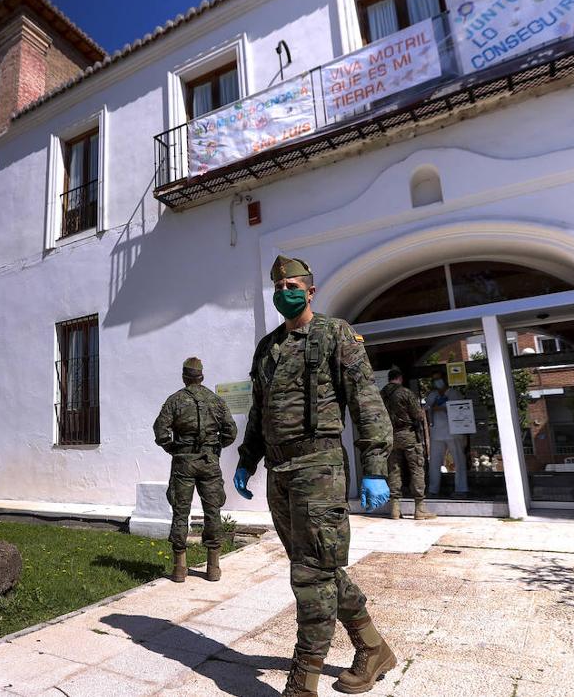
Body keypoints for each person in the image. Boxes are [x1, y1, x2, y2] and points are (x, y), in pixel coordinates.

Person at [233, 256, 396, 696]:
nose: (283, 290)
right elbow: (260, 411)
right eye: (277, 284)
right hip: (279, 470)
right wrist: (248, 458)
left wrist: (375, 467)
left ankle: (303, 681)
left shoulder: (333, 334)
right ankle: (373, 647)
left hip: (319, 467)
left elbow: (366, 403)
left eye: (292, 283)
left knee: (310, 575)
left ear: (310, 290)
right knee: (318, 569)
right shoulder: (267, 347)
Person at [154, 356, 237, 583]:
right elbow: (231, 431)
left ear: (184, 377)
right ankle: (213, 568)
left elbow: (160, 430)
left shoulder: (175, 401)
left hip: (184, 462)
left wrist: (174, 448)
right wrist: (216, 447)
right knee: (213, 511)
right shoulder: (215, 401)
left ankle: (180, 569)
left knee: (181, 511)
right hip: (209, 462)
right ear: (201, 376)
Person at [380, 367, 435, 520]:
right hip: (408, 435)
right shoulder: (405, 393)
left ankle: (395, 508)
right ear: (400, 378)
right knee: (416, 468)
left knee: (393, 470)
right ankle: (419, 508)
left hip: (390, 436)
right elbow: (418, 415)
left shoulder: (381, 394)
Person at [425, 369, 469, 498]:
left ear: (445, 380)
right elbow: (426, 410)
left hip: (453, 432)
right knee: (434, 462)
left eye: (438, 379)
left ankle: (461, 489)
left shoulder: (454, 394)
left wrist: (443, 408)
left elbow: (460, 410)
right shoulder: (431, 396)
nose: (436, 382)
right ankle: (433, 490)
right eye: (434, 380)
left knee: (459, 461)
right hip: (436, 433)